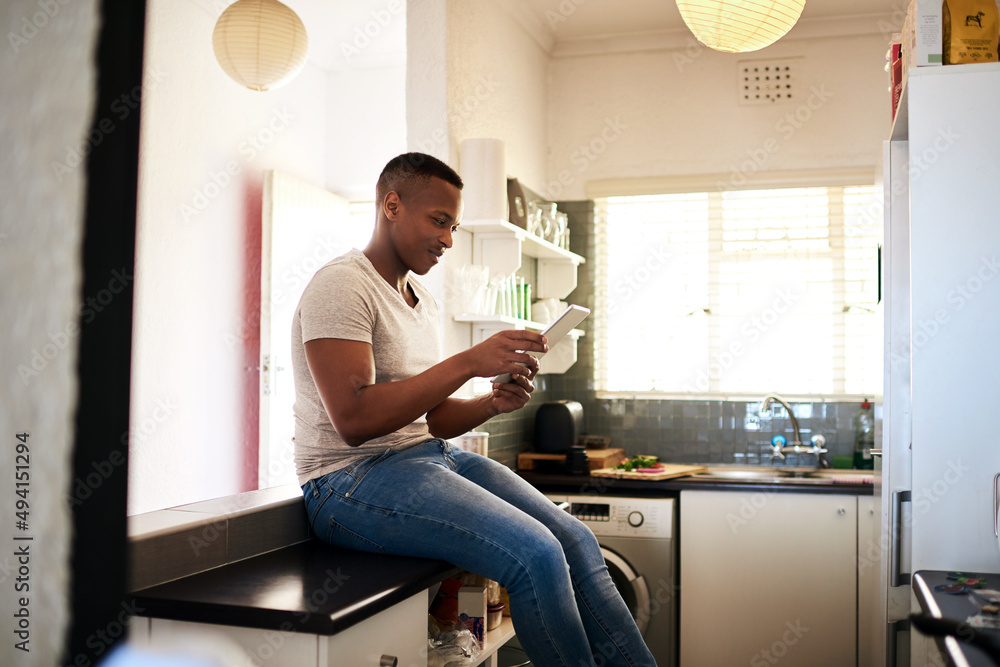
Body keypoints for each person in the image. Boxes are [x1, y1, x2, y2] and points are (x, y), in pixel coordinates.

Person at [292, 152, 656, 667]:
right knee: (537, 555)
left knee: (573, 537)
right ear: (391, 205)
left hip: (429, 456)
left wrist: (491, 401)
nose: (447, 238)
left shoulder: (421, 298)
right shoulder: (342, 284)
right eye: (438, 221)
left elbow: (433, 418)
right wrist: (468, 361)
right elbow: (355, 421)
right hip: (347, 482)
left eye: (454, 226)